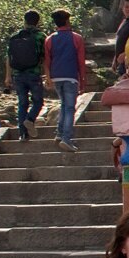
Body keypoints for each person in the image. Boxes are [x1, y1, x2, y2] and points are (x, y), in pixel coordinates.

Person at [44, 9, 86, 153]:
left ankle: (59, 133)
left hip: (56, 77)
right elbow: (80, 62)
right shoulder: (76, 38)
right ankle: (66, 138)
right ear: (68, 21)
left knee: (63, 105)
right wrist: (83, 80)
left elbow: (47, 61)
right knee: (69, 108)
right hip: (70, 77)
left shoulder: (49, 39)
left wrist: (48, 78)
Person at [4, 10, 48, 142]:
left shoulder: (14, 37)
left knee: (22, 103)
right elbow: (45, 57)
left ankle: (22, 134)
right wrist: (47, 75)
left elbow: (8, 58)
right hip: (34, 74)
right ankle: (29, 120)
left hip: (18, 75)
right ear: (38, 21)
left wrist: (8, 76)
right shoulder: (40, 36)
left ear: (24, 20)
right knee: (38, 101)